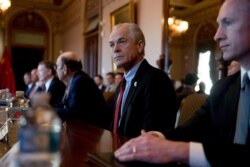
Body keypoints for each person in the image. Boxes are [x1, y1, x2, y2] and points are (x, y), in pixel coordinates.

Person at [114, 0, 250, 166]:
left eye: (228, 22)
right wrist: (156, 137)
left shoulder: (155, 79)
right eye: (219, 24)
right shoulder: (223, 88)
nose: (217, 35)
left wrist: (177, 150)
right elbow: (190, 131)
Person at [108, 23, 177, 138]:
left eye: (122, 41)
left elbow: (152, 134)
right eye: (111, 44)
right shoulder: (121, 85)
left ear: (139, 46)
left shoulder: (156, 80)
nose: (115, 49)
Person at [55, 51, 111, 129]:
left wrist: (49, 112)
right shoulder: (75, 79)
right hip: (82, 127)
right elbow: (64, 105)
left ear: (65, 68)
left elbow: (72, 113)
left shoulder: (80, 81)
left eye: (57, 66)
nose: (56, 70)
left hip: (92, 130)